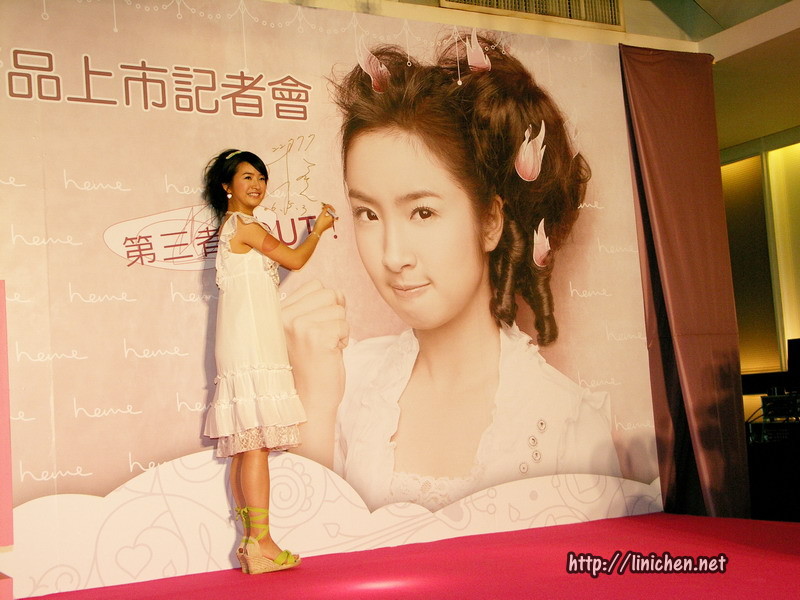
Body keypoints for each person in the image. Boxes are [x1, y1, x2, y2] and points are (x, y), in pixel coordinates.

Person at [284, 33, 621, 512]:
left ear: (490, 221)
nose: (392, 255)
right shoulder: (343, 384)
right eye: (368, 213)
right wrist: (315, 404)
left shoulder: (565, 422)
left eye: (422, 212)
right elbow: (302, 546)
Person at [202, 148, 336, 572]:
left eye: (261, 177)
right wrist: (318, 229)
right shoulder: (244, 225)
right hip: (252, 343)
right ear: (227, 186)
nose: (257, 185)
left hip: (245, 341)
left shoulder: (232, 226)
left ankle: (251, 543)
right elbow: (294, 259)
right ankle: (262, 541)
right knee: (255, 442)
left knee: (246, 445)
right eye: (247, 177)